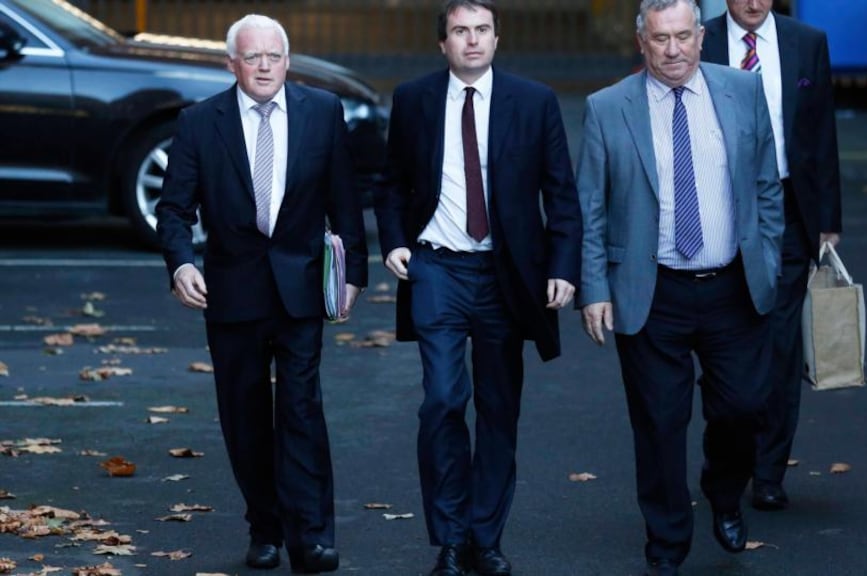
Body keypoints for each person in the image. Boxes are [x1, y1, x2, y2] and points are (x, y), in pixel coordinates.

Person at [373, 1, 582, 574]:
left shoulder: (533, 101)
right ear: (443, 43)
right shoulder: (414, 99)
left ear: (496, 38)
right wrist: (393, 239)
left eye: (481, 30)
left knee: (498, 407)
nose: (472, 41)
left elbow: (560, 193)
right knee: (442, 399)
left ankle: (485, 538)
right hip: (437, 266)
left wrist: (563, 267)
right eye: (460, 31)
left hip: (505, 274)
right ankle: (449, 537)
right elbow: (389, 182)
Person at [575, 0, 782, 573]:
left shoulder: (741, 92)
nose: (673, 51)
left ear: (700, 36)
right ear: (641, 41)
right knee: (660, 425)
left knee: (742, 409)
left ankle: (723, 490)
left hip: (733, 289)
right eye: (661, 39)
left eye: (684, 36)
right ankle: (667, 543)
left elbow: (767, 184)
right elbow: (589, 206)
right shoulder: (607, 107)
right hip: (651, 290)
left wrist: (766, 254)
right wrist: (595, 286)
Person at [155, 13, 367, 574]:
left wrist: (353, 274)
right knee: (244, 414)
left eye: (274, 56)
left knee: (301, 409)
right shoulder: (201, 123)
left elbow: (345, 200)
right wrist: (180, 264)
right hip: (232, 292)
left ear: (288, 61)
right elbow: (173, 208)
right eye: (253, 57)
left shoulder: (322, 113)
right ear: (233, 65)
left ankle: (312, 536)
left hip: (300, 287)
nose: (265, 66)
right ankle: (264, 527)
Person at [702, 0, 842, 511]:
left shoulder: (807, 43)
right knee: (725, 337)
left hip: (785, 205)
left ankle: (768, 471)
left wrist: (828, 219)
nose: (754, 2)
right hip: (716, 205)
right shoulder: (700, 40)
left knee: (781, 343)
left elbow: (821, 133)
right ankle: (726, 457)